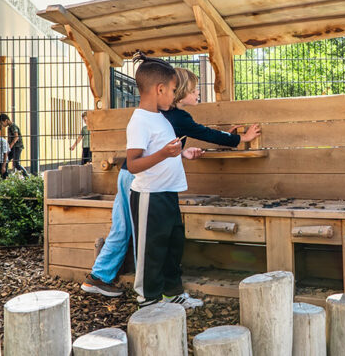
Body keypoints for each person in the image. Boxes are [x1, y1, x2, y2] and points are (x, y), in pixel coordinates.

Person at [81, 67, 261, 298]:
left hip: (127, 174)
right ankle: (145, 290)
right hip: (140, 178)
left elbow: (164, 142)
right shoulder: (177, 116)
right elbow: (204, 133)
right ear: (177, 92)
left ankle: (99, 276)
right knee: (142, 236)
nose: (198, 94)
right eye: (193, 90)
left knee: (123, 226)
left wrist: (182, 152)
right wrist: (239, 139)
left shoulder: (162, 115)